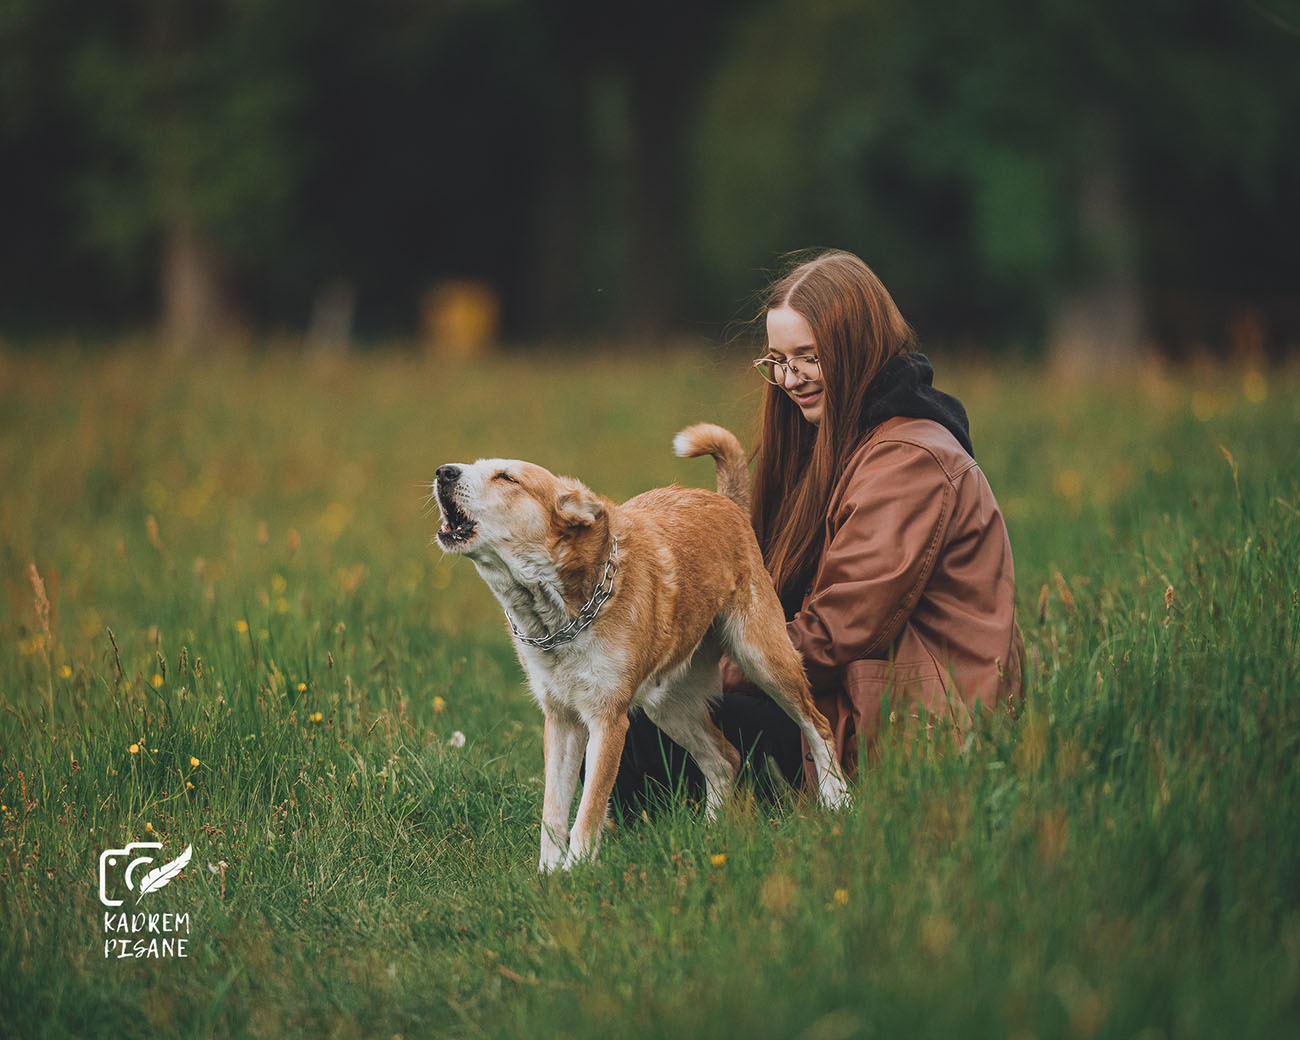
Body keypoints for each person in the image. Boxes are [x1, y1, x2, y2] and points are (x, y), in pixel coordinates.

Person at [613, 248, 1024, 814]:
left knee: (643, 727)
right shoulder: (831, 439)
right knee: (633, 716)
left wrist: (694, 667)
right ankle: (628, 839)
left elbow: (836, 632)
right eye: (777, 361)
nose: (789, 379)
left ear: (858, 350)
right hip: (846, 699)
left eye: (809, 357)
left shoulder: (910, 462)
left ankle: (621, 859)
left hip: (914, 726)